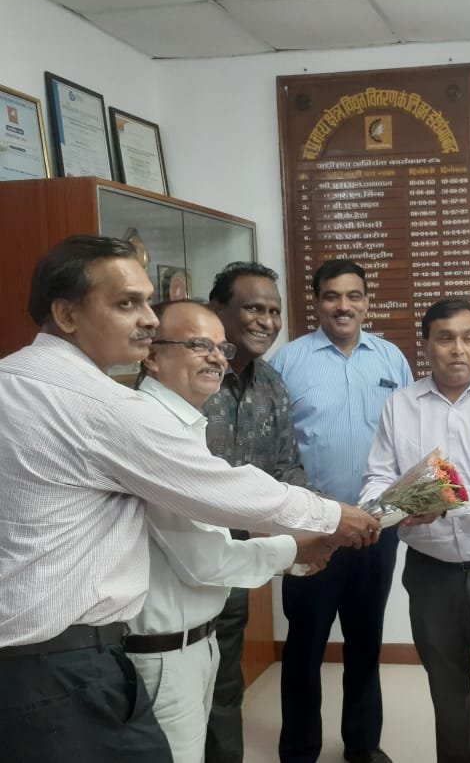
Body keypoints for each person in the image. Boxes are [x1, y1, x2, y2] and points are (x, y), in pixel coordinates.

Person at [0, 235, 381, 762]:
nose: (149, 320)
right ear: (66, 313)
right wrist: (331, 518)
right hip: (64, 662)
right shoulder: (102, 405)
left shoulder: (16, 377)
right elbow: (219, 492)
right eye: (126, 303)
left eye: (219, 349)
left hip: (50, 658)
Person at [128, 299, 336, 763]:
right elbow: (208, 560)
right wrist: (302, 542)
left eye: (219, 346)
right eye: (198, 344)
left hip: (196, 640)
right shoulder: (152, 427)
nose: (218, 357)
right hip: (161, 654)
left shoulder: (185, 423)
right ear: (152, 354)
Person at [360, 298, 470, 763]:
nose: (457, 350)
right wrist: (381, 508)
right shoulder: (400, 405)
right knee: (448, 692)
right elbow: (379, 476)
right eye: (445, 339)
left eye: (468, 337)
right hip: (431, 572)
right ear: (427, 347)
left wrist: (444, 505)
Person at [269, 259, 413, 763]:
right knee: (304, 645)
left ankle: (362, 745)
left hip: (377, 528)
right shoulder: (288, 362)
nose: (344, 305)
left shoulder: (392, 359)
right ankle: (301, 749)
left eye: (354, 295)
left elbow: (407, 439)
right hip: (313, 530)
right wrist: (313, 515)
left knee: (365, 641)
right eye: (332, 296)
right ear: (316, 303)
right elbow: (279, 448)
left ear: (368, 301)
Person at [203, 261, 313, 763]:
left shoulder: (271, 383)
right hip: (181, 557)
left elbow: (288, 468)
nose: (265, 321)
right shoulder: (192, 376)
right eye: (252, 308)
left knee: (226, 682)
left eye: (273, 311)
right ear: (217, 310)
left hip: (239, 555)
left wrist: (321, 528)